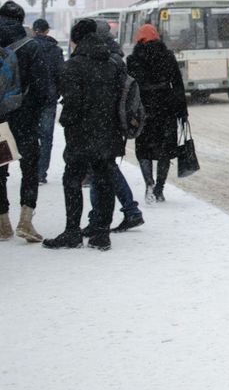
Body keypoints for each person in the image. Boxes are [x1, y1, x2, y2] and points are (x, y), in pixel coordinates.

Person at [42, 18, 126, 251]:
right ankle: (101, 234)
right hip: (108, 132)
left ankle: (72, 232)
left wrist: (66, 120)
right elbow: (121, 99)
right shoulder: (113, 63)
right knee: (104, 179)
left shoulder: (73, 66)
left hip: (81, 134)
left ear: (76, 39)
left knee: (72, 179)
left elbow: (73, 104)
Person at [82, 20, 144, 234]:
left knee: (103, 168)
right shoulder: (115, 55)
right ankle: (115, 213)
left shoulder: (105, 58)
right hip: (111, 122)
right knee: (105, 168)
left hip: (102, 122)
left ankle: (121, 212)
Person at [0, 1, 48, 242]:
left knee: (0, 170)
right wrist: (34, 111)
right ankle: (26, 221)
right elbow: (43, 89)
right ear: (20, 20)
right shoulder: (31, 46)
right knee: (29, 169)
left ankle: (2, 224)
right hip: (25, 119)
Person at [126, 23, 187, 203]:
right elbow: (177, 84)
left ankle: (149, 183)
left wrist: (129, 112)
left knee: (143, 150)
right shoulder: (167, 56)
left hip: (143, 110)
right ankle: (160, 188)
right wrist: (182, 111)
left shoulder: (132, 59)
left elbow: (128, 88)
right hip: (165, 108)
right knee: (165, 151)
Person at [31, 18, 65, 185]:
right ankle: (41, 172)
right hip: (49, 99)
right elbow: (61, 74)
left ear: (33, 30)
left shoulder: (28, 47)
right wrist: (57, 91)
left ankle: (30, 170)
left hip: (30, 99)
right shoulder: (55, 50)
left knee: (29, 135)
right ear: (47, 31)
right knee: (46, 137)